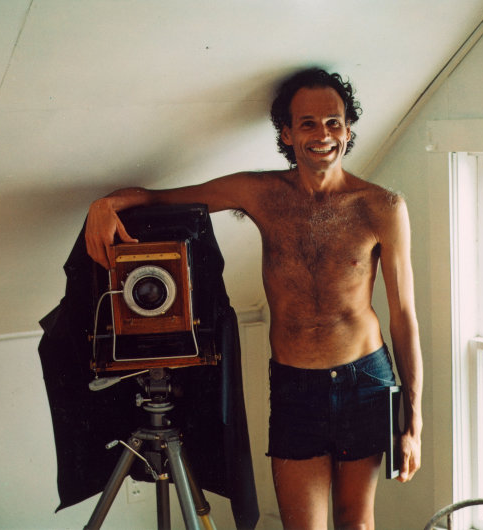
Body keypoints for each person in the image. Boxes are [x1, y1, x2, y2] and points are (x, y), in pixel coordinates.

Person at [85, 68, 423, 529]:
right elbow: (163, 199)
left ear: (348, 128)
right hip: (295, 387)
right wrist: (105, 205)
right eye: (307, 123)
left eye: (333, 122)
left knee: (357, 524)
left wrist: (413, 423)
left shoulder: (382, 206)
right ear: (286, 133)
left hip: (365, 379)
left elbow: (404, 317)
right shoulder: (260, 193)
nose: (323, 135)